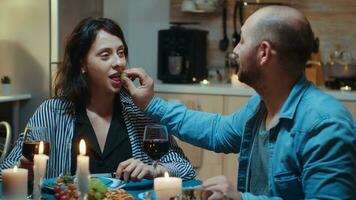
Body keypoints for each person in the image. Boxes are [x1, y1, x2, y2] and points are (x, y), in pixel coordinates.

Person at [122, 6, 356, 200]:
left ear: (263, 53)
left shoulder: (326, 125)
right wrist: (151, 103)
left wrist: (242, 199)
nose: (234, 50)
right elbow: (216, 131)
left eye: (242, 41)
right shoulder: (260, 107)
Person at [0, 17, 196, 181]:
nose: (119, 63)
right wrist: (22, 171)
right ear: (82, 64)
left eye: (121, 53)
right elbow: (5, 171)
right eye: (105, 55)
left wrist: (155, 171)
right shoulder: (52, 112)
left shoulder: (139, 111)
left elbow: (186, 169)